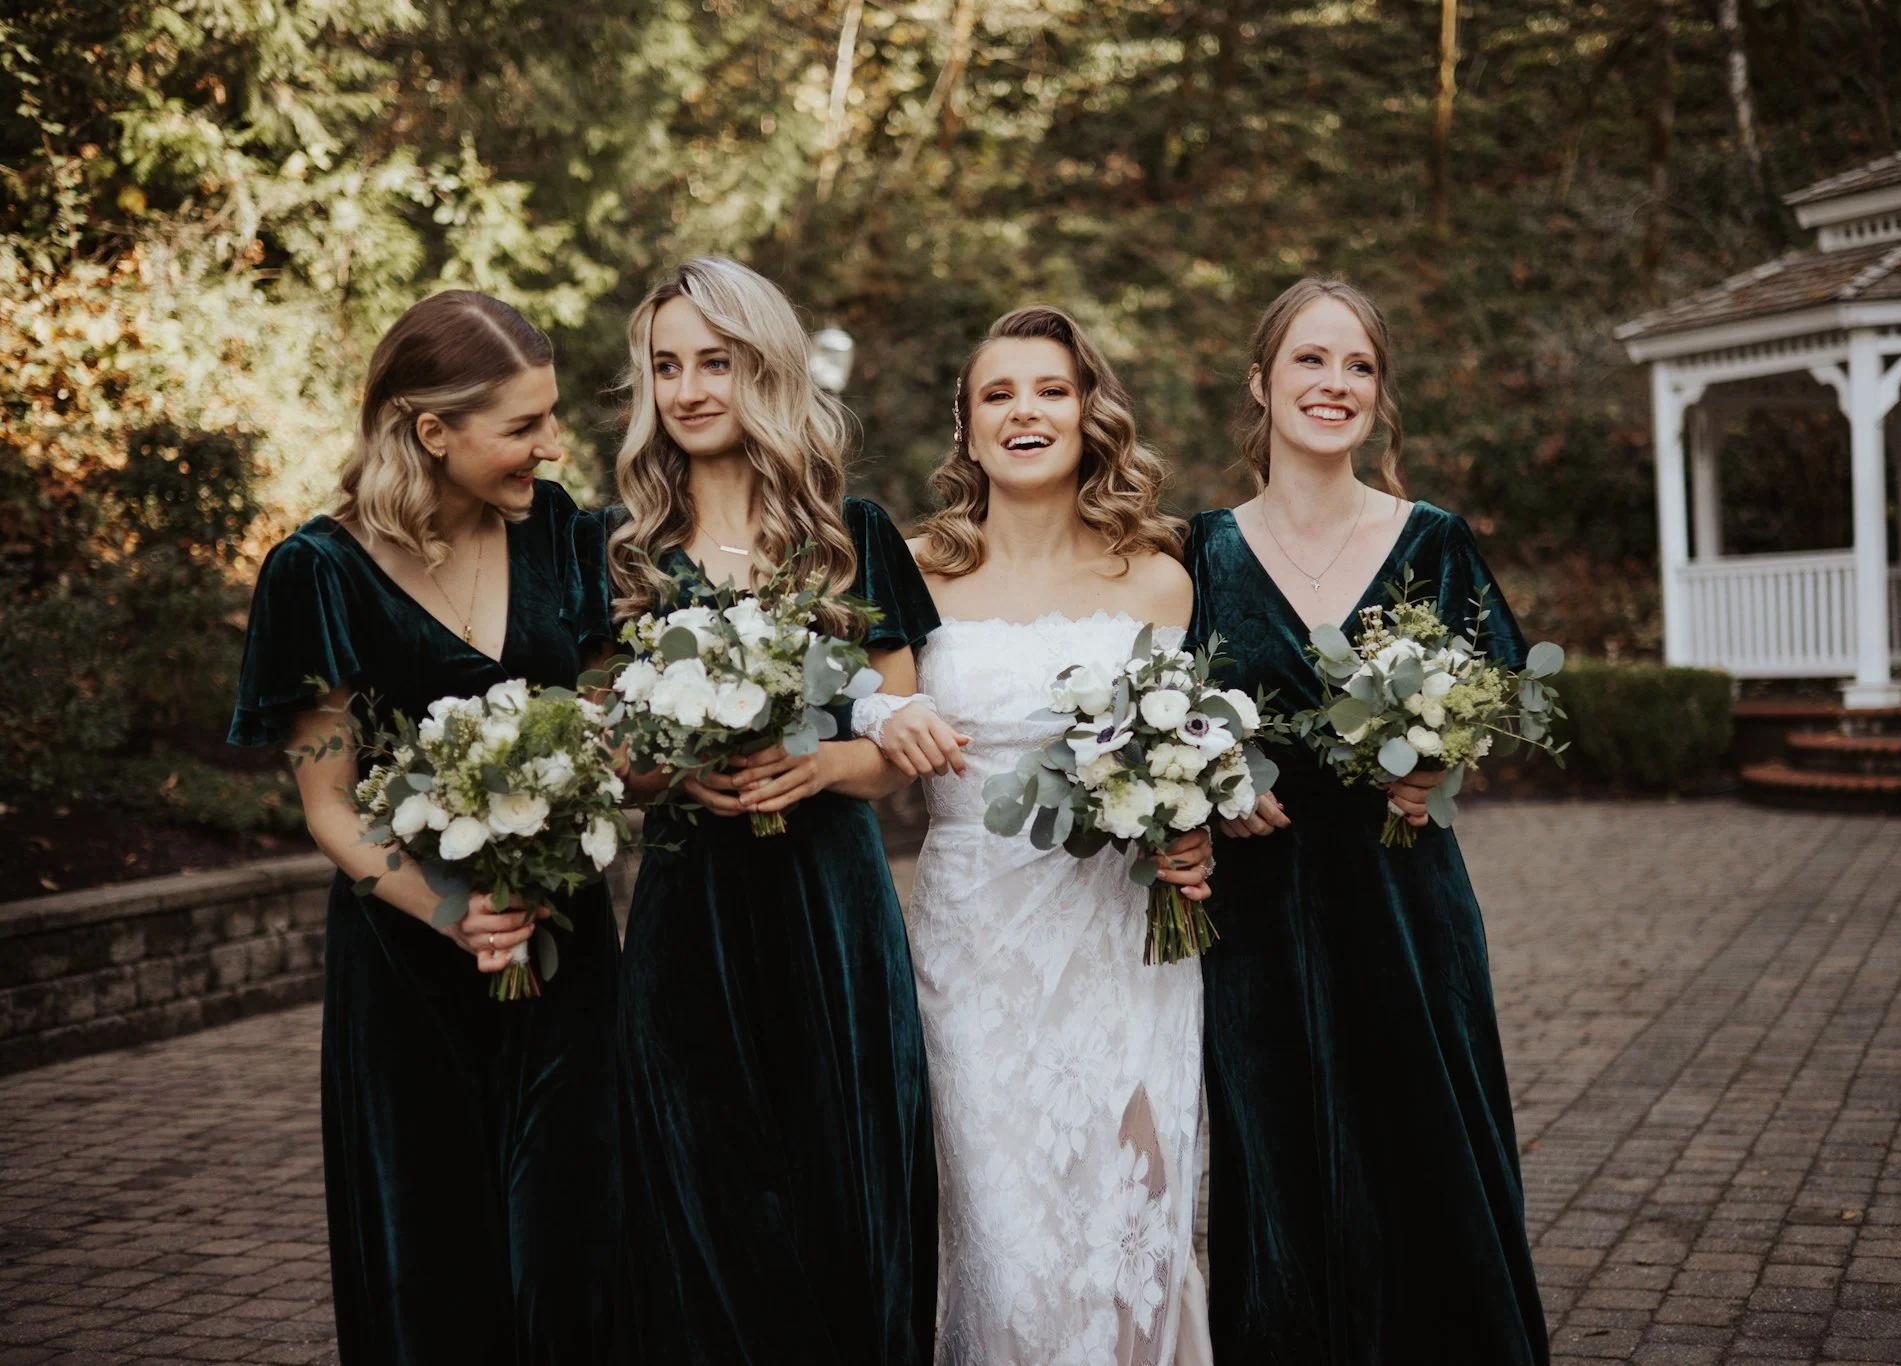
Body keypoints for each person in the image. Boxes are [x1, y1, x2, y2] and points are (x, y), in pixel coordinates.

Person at [228, 290, 620, 1364]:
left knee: (572, 1248)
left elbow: (595, 720)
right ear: (429, 428)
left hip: (565, 951)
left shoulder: (555, 534)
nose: (550, 444)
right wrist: (456, 913)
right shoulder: (317, 572)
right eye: (523, 427)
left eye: (549, 419)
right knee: (430, 1263)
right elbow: (328, 803)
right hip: (409, 969)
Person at [1188, 278, 1548, 1364]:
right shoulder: (1195, 554)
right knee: (1279, 1171)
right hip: (1255, 923)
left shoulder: (1434, 542)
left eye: (1356, 366)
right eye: (1309, 360)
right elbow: (1150, 711)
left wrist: (1441, 760)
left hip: (1404, 905)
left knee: (1428, 1155)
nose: (1332, 384)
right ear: (1260, 381)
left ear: (1379, 394)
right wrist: (1211, 777)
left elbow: (1502, 697)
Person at [606, 256, 938, 1364]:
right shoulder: (620, 551)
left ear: (769, 369)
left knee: (838, 1188)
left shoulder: (849, 534)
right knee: (698, 1191)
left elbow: (899, 738)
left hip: (828, 912)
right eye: (667, 367)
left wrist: (822, 767)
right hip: (688, 914)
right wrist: (663, 766)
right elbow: (602, 750)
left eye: (718, 361)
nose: (691, 389)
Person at [869, 305, 1215, 1365]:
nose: (1025, 410)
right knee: (1004, 1234)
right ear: (965, 429)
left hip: (1123, 938)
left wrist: (1192, 835)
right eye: (997, 393)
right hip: (975, 942)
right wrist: (882, 715)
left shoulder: (1158, 574)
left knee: (1136, 1222)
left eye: (1049, 389)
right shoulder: (908, 567)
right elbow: (869, 737)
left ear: (1088, 413)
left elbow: (1186, 748)